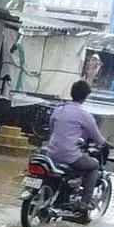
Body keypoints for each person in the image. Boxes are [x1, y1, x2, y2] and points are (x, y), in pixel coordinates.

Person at [46, 80, 105, 211]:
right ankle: (85, 202)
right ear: (85, 97)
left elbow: (52, 129)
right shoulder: (84, 115)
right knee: (94, 165)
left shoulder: (58, 110)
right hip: (69, 156)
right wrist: (107, 144)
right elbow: (97, 137)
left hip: (51, 153)